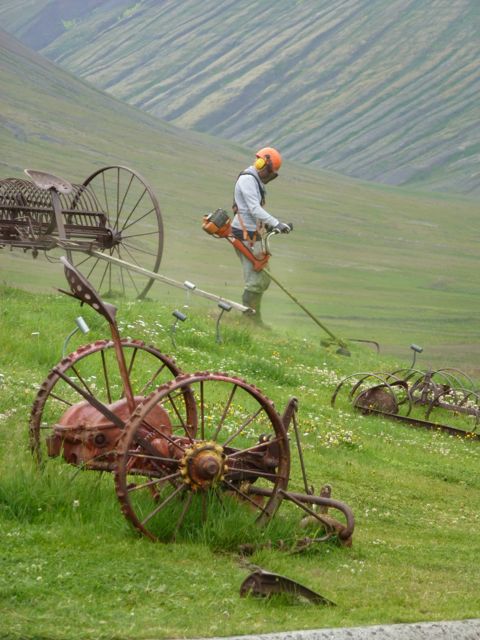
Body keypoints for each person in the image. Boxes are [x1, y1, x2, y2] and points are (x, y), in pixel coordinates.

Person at [231, 147, 291, 325]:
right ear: (261, 164)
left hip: (252, 233)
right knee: (255, 280)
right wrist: (276, 223)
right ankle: (250, 321)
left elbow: (255, 211)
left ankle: (254, 318)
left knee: (263, 278)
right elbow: (254, 209)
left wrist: (272, 224)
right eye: (270, 172)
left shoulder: (255, 181)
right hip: (244, 234)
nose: (269, 177)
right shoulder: (248, 180)